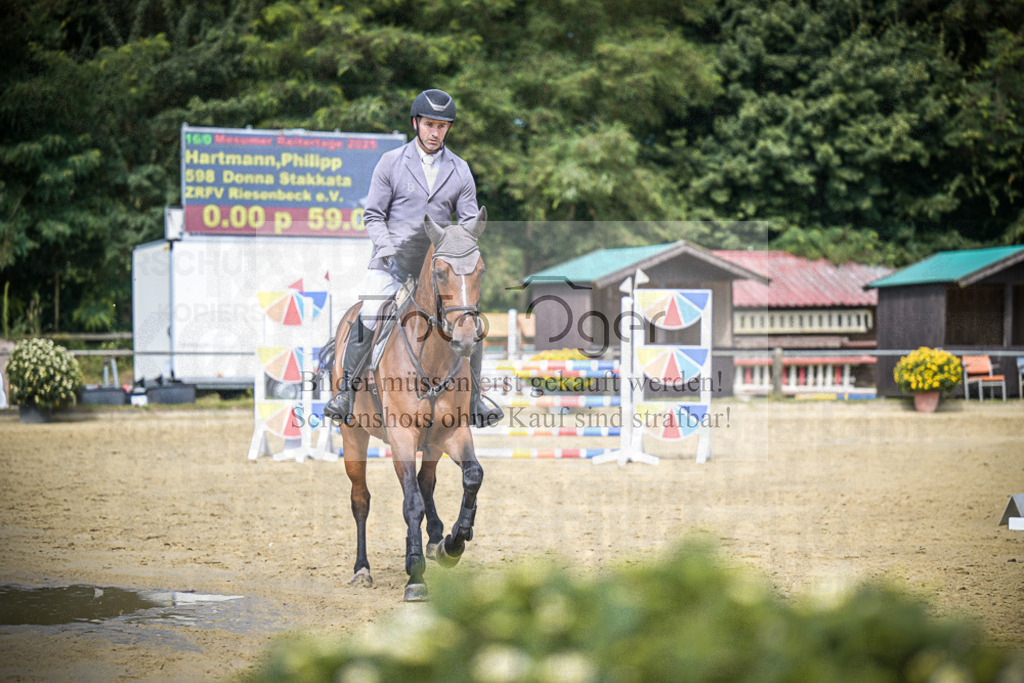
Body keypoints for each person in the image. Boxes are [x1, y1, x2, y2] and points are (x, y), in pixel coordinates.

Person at [323, 89, 503, 428]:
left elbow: (466, 223)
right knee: (372, 310)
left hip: (437, 266)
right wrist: (387, 250)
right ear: (416, 123)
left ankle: (476, 398)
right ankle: (345, 391)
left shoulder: (459, 169)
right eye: (430, 125)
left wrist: (461, 253)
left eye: (443, 126)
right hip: (393, 259)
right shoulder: (391, 162)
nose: (436, 133)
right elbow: (373, 215)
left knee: (468, 321)